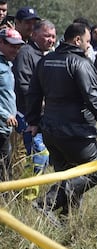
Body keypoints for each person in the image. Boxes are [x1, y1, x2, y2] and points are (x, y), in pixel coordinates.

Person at [26, 22, 97, 220]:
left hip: (50, 131)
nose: (88, 45)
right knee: (92, 174)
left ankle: (69, 222)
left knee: (68, 176)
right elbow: (92, 97)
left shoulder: (46, 61)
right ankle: (45, 204)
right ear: (77, 40)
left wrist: (33, 121)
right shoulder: (81, 63)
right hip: (77, 133)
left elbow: (33, 93)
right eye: (87, 41)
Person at [13, 19, 55, 190]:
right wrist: (42, 102)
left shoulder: (49, 55)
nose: (50, 40)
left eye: (53, 36)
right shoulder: (26, 53)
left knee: (42, 157)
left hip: (43, 116)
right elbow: (24, 85)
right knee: (38, 154)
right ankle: (26, 194)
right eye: (46, 36)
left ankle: (32, 193)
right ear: (35, 35)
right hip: (25, 113)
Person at [0, 27, 23, 182]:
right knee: (4, 170)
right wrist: (4, 114)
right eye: (11, 46)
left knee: (6, 168)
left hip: (6, 128)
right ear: (1, 43)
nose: (15, 50)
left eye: (17, 46)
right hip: (1, 125)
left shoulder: (7, 64)